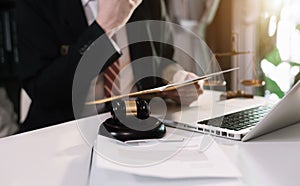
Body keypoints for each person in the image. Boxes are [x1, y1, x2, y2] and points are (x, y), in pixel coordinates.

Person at [16, 0, 203, 132]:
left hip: (140, 130)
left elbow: (161, 59)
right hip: (63, 133)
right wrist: (103, 29)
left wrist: (178, 79)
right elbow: (43, 92)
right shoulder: (37, 4)